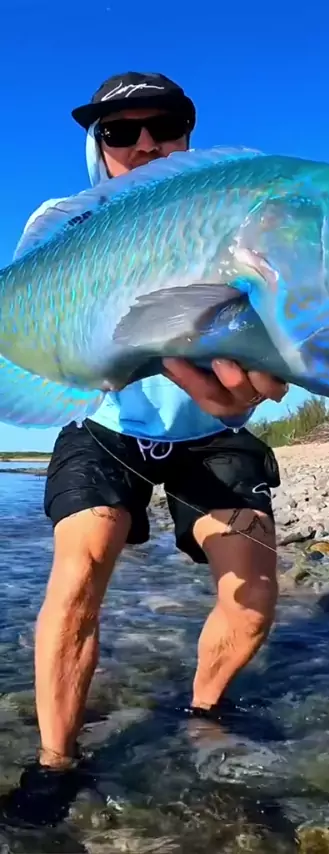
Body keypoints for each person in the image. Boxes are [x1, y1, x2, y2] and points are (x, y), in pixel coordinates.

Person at [0, 71, 287, 826]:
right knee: (80, 565)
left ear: (189, 133)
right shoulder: (60, 222)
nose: (145, 143)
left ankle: (204, 711)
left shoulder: (240, 215)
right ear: (97, 146)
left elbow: (276, 317)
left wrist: (275, 365)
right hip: (105, 427)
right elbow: (43, 328)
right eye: (120, 132)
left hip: (212, 434)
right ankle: (55, 760)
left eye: (165, 125)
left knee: (254, 595)